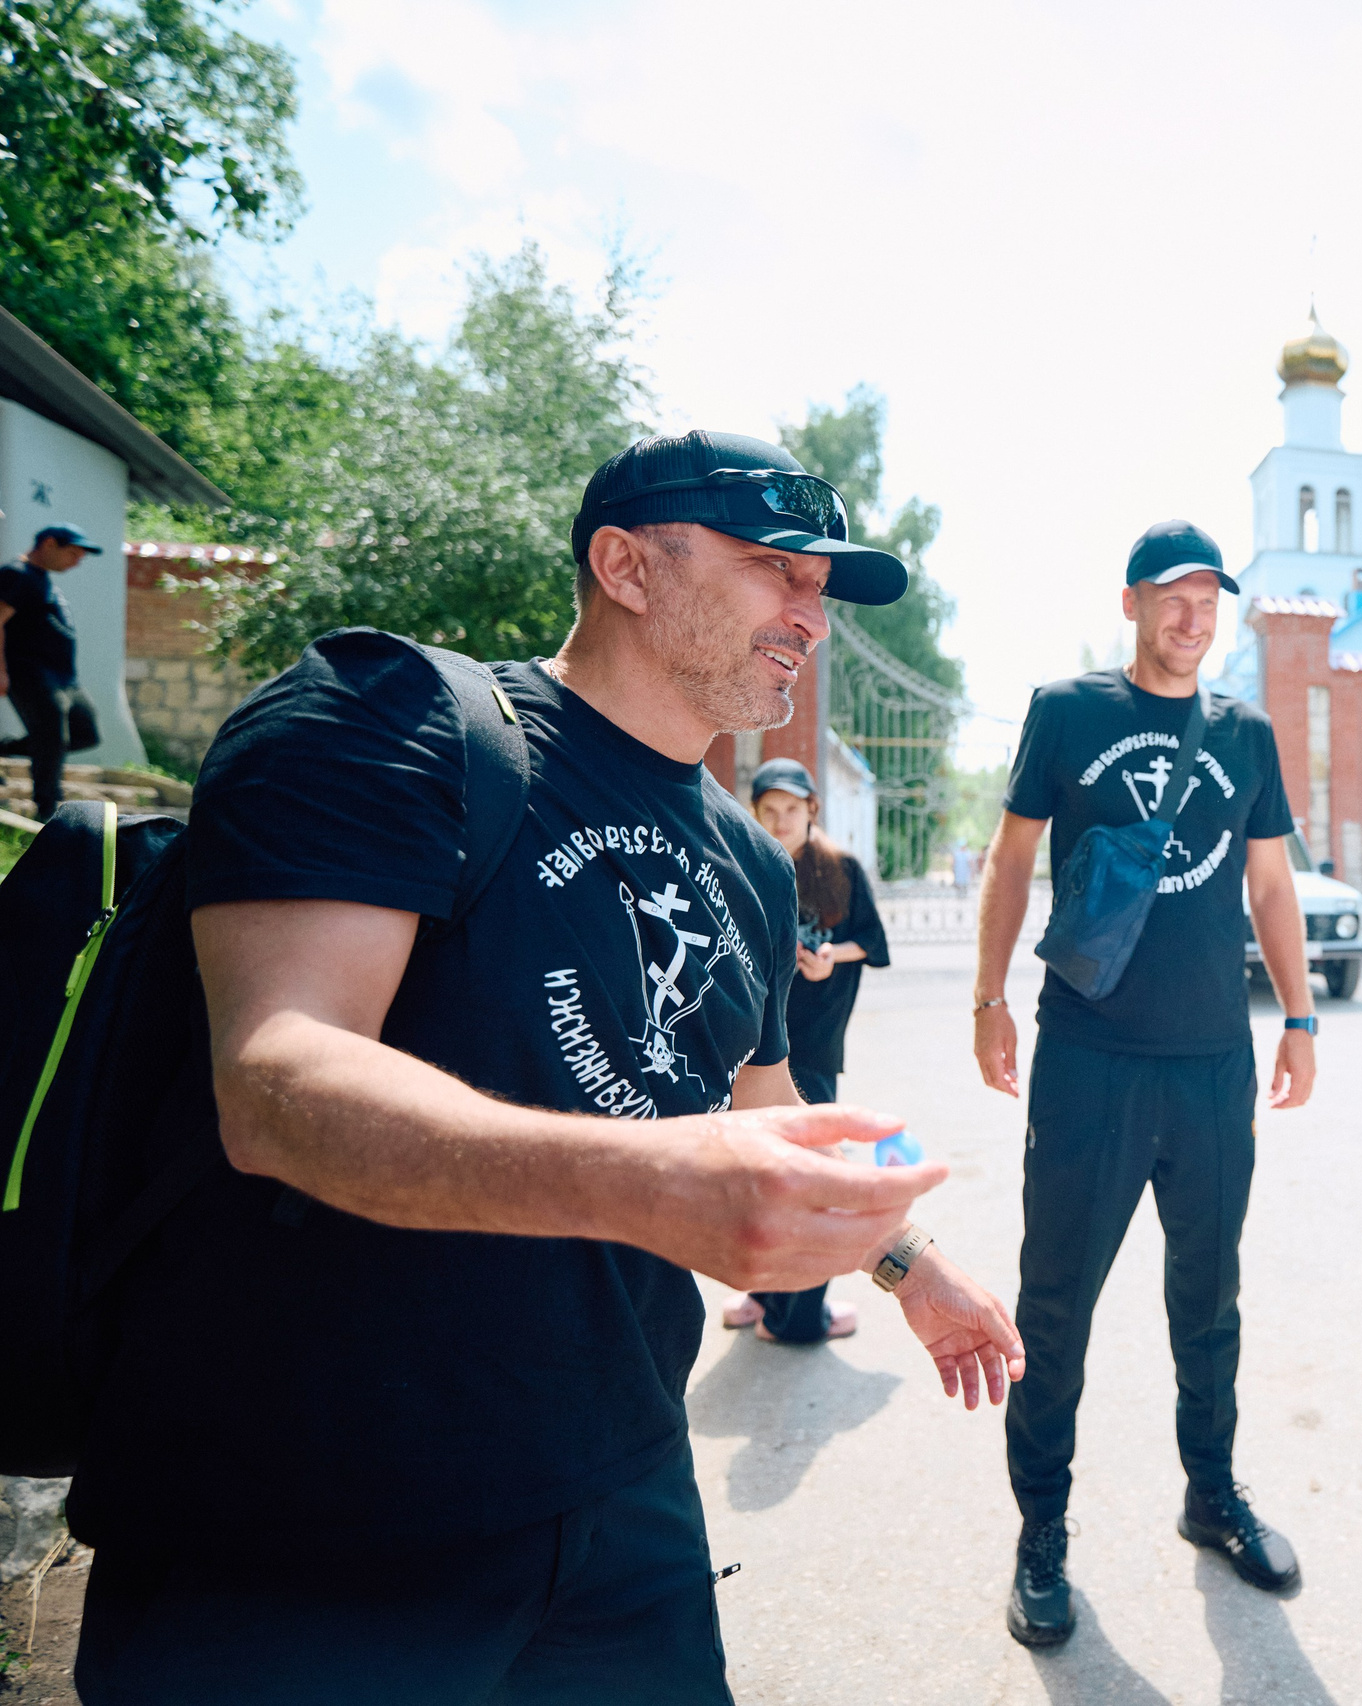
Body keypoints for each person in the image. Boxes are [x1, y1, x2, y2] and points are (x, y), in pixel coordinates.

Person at [70, 430, 1024, 1705]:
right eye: (773, 569)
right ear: (626, 566)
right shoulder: (387, 718)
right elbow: (277, 1078)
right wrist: (654, 1183)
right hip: (303, 1518)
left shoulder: (750, 862)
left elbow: (770, 1103)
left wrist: (913, 1256)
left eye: (820, 587)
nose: (812, 617)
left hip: (621, 1500)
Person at [972, 519, 1315, 1649]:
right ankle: (1041, 1531)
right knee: (1056, 1303)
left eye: (1209, 598)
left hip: (1212, 1062)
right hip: (1091, 1058)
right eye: (1172, 596)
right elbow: (1011, 858)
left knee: (1208, 1301)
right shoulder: (1068, 712)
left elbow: (1271, 886)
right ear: (1130, 603)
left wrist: (1299, 1017)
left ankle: (1210, 1494)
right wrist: (987, 998)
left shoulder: (1245, 731)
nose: (1192, 616)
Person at [722, 755, 893, 1343]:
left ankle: (794, 1310)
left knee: (810, 1172)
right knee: (756, 1170)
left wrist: (829, 957)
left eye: (791, 809)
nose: (780, 821)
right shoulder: (743, 861)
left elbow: (872, 942)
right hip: (750, 1043)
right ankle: (770, 1300)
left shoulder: (840, 869)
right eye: (769, 810)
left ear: (812, 809)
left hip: (811, 1044)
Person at [0, 523, 105, 821]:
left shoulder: (39, 577)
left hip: (64, 678)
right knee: (51, 738)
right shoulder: (16, 574)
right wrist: (1, 670)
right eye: (73, 553)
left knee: (85, 733)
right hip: (31, 672)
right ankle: (46, 811)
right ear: (48, 544)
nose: (77, 561)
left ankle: (4, 748)